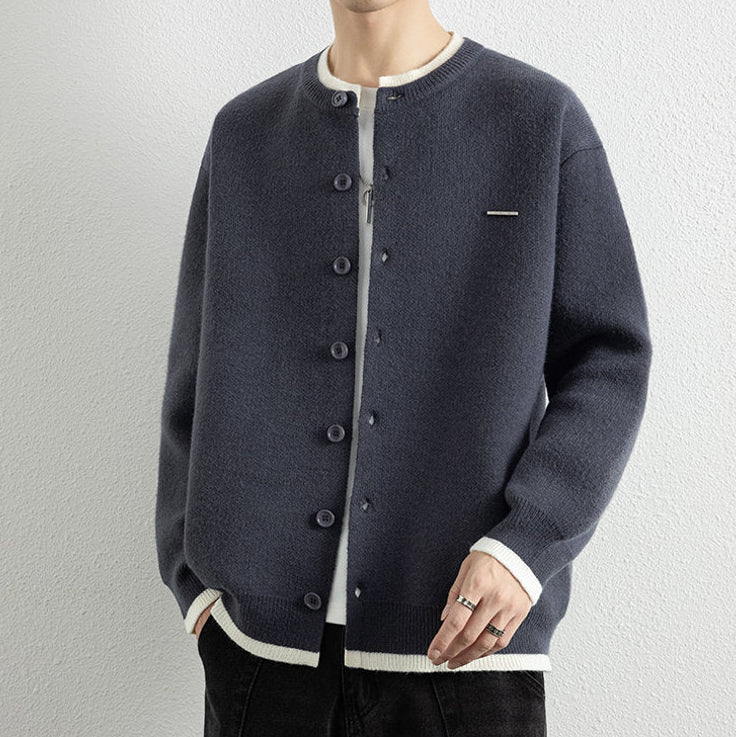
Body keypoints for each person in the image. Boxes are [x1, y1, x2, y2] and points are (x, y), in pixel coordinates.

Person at [155, 1, 652, 735]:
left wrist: (525, 546)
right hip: (258, 653)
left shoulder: (536, 120)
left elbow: (609, 359)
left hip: (464, 648)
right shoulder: (246, 132)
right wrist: (190, 576)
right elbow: (194, 367)